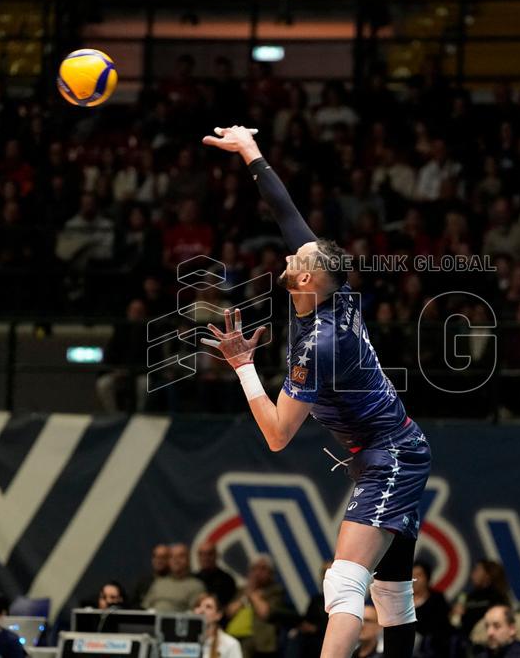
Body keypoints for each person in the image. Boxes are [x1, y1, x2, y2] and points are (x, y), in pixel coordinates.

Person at [202, 126, 431, 658]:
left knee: (344, 583)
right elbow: (287, 214)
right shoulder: (335, 295)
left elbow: (279, 435)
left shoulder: (320, 346)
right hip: (392, 448)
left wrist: (242, 367)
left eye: (297, 261)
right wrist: (251, 152)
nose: (289, 256)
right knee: (391, 591)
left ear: (307, 282)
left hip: (389, 457)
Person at [224, 554, 297, 658]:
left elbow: (265, 613)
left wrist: (253, 596)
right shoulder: (241, 590)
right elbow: (229, 612)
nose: (258, 572)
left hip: (257, 639)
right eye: (254, 568)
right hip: (233, 635)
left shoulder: (275, 590)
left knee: (244, 646)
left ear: (271, 573)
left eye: (263, 569)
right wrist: (246, 595)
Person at [143, 543, 205, 612]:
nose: (176, 560)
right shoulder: (159, 583)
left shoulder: (196, 586)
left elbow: (196, 614)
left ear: (188, 560)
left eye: (181, 556)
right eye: (172, 556)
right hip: (153, 620)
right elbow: (145, 606)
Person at [412, 560, 451, 658]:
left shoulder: (437, 599)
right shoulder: (403, 599)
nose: (415, 579)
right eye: (412, 575)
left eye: (419, 575)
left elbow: (442, 628)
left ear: (427, 578)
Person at [194, 592, 243, 658]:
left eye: (208, 607)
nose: (201, 610)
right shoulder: (184, 642)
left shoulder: (230, 644)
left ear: (218, 615)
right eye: (198, 606)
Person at [196, 540, 238, 614]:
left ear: (216, 555)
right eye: (202, 554)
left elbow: (226, 607)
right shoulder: (193, 579)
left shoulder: (227, 580)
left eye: (209, 554)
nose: (205, 558)